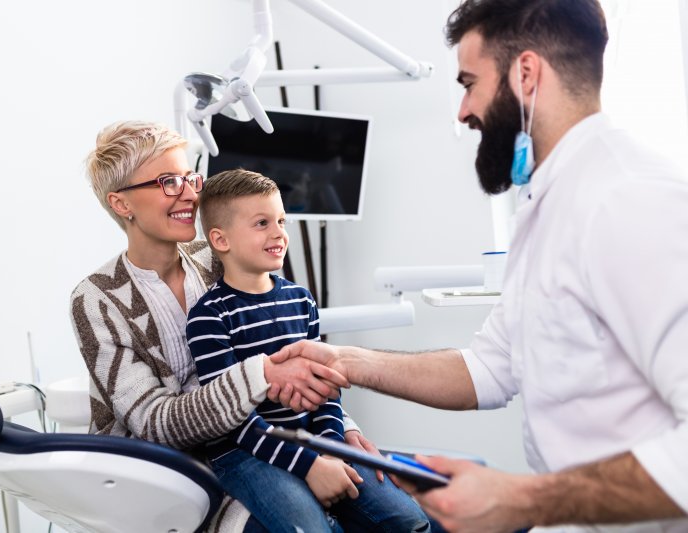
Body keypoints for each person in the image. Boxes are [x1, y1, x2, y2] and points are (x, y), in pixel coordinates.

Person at [270, 1, 688, 531]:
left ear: (526, 74)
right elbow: (489, 368)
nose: (463, 111)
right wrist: (346, 360)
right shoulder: (548, 206)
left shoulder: (630, 201)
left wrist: (526, 499)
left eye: (469, 84)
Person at [70, 121, 380, 531]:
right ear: (122, 203)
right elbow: (155, 423)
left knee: (385, 505)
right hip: (166, 476)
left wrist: (341, 432)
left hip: (258, 443)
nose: (190, 194)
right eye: (168, 182)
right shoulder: (96, 299)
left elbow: (289, 343)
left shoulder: (216, 256)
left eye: (189, 178)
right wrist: (264, 375)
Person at [185, 169, 430, 532]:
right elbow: (233, 419)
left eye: (281, 220)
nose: (278, 233)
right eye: (262, 223)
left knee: (410, 520)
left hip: (313, 439)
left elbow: (326, 389)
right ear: (221, 240)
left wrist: (330, 449)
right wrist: (309, 465)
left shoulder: (301, 300)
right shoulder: (209, 316)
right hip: (245, 453)